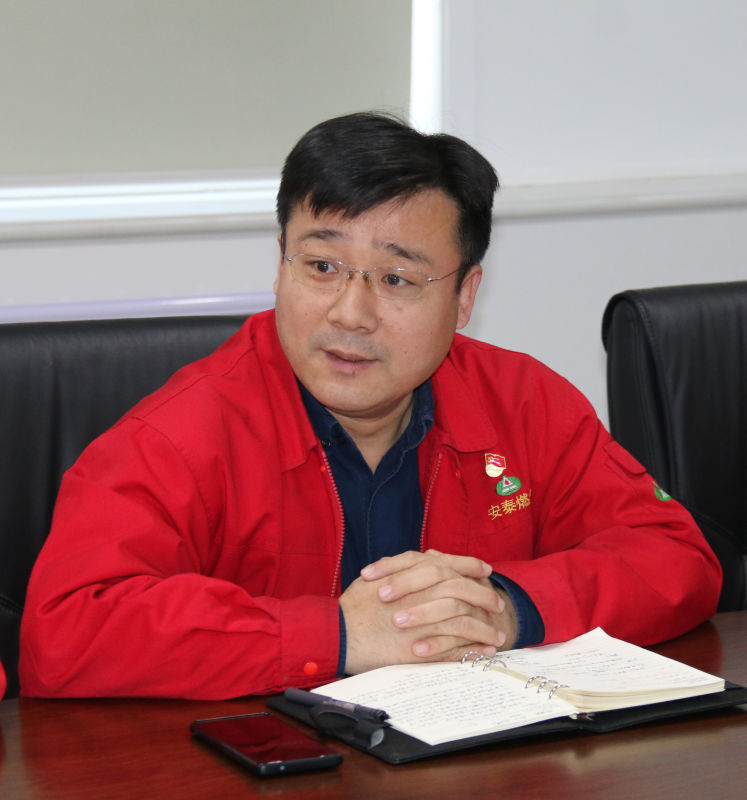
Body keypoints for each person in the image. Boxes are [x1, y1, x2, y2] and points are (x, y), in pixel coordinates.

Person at [19, 113, 720, 699]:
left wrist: (505, 607)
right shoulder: (179, 435)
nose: (350, 313)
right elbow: (63, 633)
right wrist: (339, 635)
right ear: (280, 263)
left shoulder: (524, 403)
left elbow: (674, 555)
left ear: (464, 296)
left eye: (396, 279)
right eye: (321, 267)